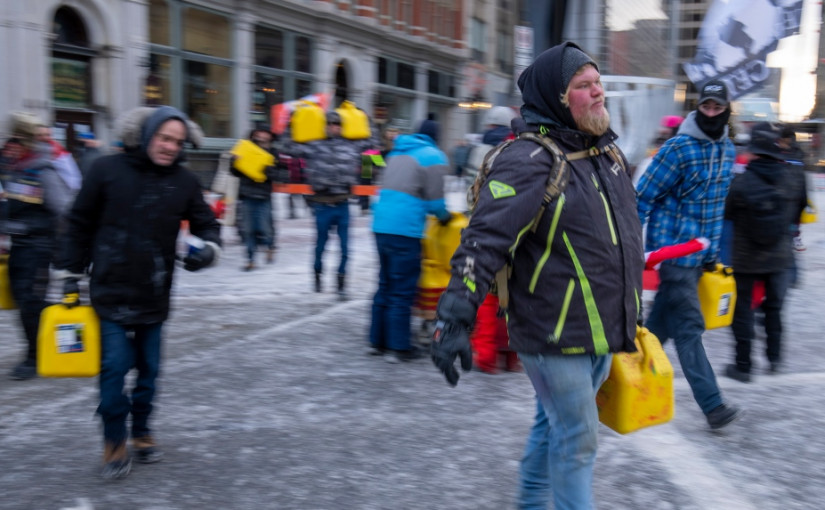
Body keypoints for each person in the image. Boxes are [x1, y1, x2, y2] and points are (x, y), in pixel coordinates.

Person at [429, 42, 643, 509]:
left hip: (601, 329)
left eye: (598, 82)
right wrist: (454, 316)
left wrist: (632, 309)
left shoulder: (607, 155)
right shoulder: (528, 160)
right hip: (554, 332)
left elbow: (620, 239)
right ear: (556, 98)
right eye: (583, 85)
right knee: (577, 439)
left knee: (554, 427)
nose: (598, 92)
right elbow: (484, 240)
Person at [57, 106, 222, 480]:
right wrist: (70, 273)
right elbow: (78, 223)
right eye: (164, 138)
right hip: (110, 292)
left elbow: (207, 224)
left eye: (178, 142)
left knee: (149, 372)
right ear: (147, 135)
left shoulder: (184, 181)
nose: (170, 147)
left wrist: (208, 250)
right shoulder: (105, 170)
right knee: (114, 369)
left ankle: (142, 429)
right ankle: (114, 439)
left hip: (154, 294)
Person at [636, 79, 741, 429]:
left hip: (699, 257)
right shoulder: (678, 148)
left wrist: (712, 254)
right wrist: (629, 242)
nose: (711, 112)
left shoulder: (727, 150)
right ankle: (713, 406)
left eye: (717, 107)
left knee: (657, 328)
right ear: (698, 108)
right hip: (674, 254)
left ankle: (615, 377)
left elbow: (716, 207)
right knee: (689, 327)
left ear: (726, 110)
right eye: (705, 106)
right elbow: (642, 196)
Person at [724, 122, 807, 382]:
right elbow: (801, 207)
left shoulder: (740, 182)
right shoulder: (792, 178)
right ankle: (774, 358)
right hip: (780, 255)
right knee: (774, 309)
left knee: (743, 310)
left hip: (746, 257)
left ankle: (743, 366)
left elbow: (727, 213)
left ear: (753, 151)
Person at [369, 118, 452, 363]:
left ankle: (377, 341)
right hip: (404, 230)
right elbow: (436, 201)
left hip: (380, 225)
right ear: (436, 137)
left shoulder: (396, 152)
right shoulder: (433, 156)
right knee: (402, 288)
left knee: (385, 283)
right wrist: (445, 218)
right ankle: (398, 347)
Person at [3, 113, 74, 380]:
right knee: (26, 301)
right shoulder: (16, 168)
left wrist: (65, 250)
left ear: (25, 141)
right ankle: (55, 346)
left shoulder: (43, 171)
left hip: (39, 248)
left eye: (16, 140)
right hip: (19, 247)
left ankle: (36, 357)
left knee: (31, 303)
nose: (11, 145)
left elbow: (64, 210)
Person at [286, 110, 374, 299]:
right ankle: (317, 274)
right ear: (325, 126)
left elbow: (373, 147)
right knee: (320, 246)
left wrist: (367, 122)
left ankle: (341, 284)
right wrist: (291, 124)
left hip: (343, 204)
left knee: (345, 248)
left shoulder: (351, 145)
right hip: (322, 204)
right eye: (331, 124)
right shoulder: (314, 145)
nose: (334, 128)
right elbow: (289, 148)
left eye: (337, 124)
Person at [230, 127, 278, 271]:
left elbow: (278, 174)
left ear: (269, 136)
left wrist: (266, 169)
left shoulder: (273, 153)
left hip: (263, 197)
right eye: (258, 133)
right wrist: (235, 162)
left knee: (265, 229)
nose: (261, 136)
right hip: (247, 196)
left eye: (264, 133)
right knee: (248, 229)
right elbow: (234, 172)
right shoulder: (245, 148)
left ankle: (270, 246)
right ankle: (250, 260)